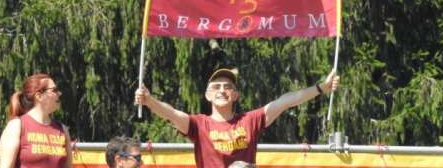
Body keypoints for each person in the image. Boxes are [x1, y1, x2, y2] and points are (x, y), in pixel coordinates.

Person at [135, 67, 339, 167]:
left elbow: (286, 101)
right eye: (216, 87)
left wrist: (321, 88)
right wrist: (149, 100)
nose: (222, 90)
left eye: (228, 87)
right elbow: (170, 113)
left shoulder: (250, 120)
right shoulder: (199, 125)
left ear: (236, 95)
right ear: (207, 95)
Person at [0, 73, 73, 168]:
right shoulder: (16, 126)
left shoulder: (62, 130)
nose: (59, 93)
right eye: (54, 90)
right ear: (39, 96)